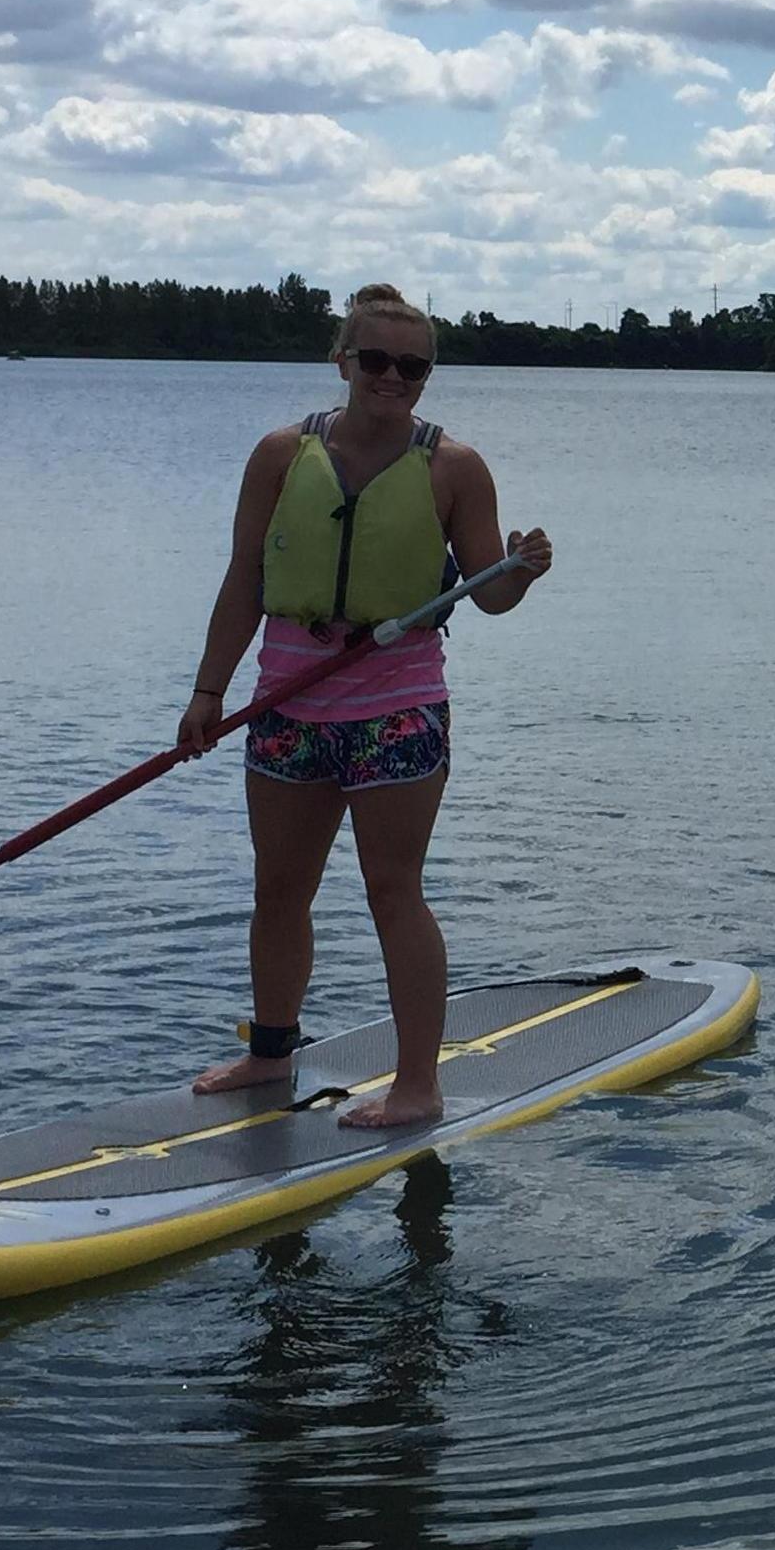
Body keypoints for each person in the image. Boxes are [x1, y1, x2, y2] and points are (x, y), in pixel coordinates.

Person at [176, 283, 552, 1128]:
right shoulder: (280, 454)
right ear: (342, 361)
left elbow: (489, 597)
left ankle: (418, 1084)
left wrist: (520, 572)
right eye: (376, 359)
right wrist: (209, 689)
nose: (393, 377)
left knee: (394, 889)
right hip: (287, 703)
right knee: (279, 889)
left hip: (398, 708)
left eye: (412, 365)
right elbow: (245, 579)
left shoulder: (455, 467)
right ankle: (271, 1057)